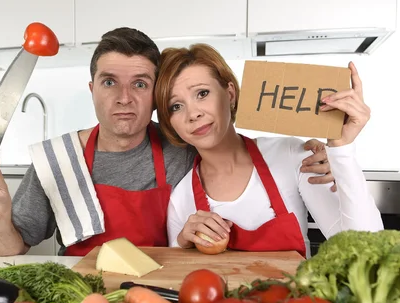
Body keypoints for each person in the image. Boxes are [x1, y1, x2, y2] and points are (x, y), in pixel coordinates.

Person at [0, 28, 336, 257]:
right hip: (81, 300)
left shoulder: (184, 145)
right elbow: (9, 250)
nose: (124, 97)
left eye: (139, 83)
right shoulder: (57, 161)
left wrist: (317, 152)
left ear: (156, 93)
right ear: (92, 90)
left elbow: (233, 143)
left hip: (164, 298)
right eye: (109, 83)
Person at [155, 44, 383, 258]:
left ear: (230, 94)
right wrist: (182, 245)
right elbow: (178, 286)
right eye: (176, 106)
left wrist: (341, 149)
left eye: (202, 93)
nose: (193, 114)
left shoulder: (293, 155)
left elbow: (365, 249)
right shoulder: (180, 200)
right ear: (170, 122)